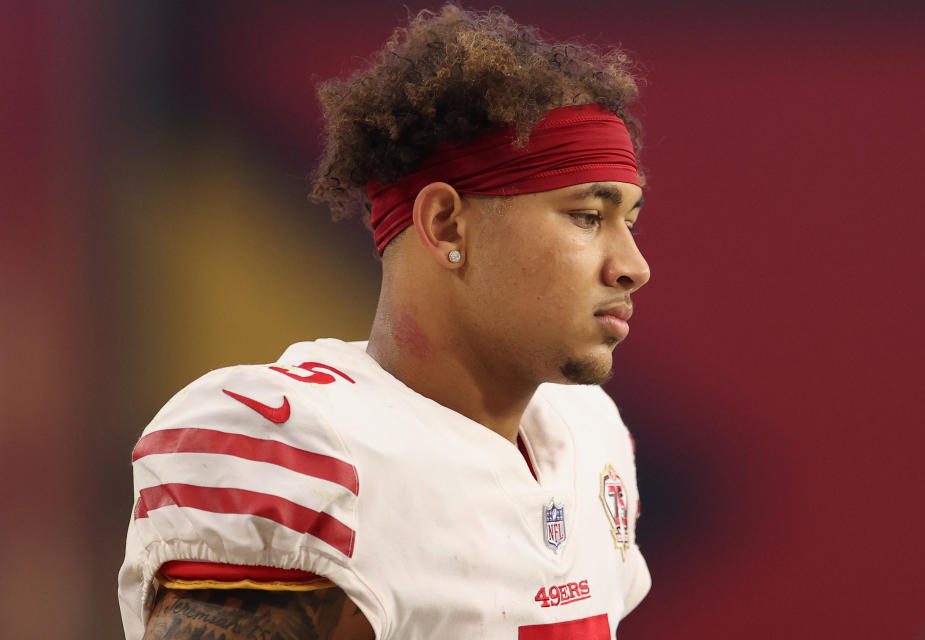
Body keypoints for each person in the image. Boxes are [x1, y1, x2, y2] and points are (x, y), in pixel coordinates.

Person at [118, 4, 652, 639]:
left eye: (631, 221)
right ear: (446, 224)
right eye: (587, 216)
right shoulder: (308, 450)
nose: (633, 266)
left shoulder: (590, 437)